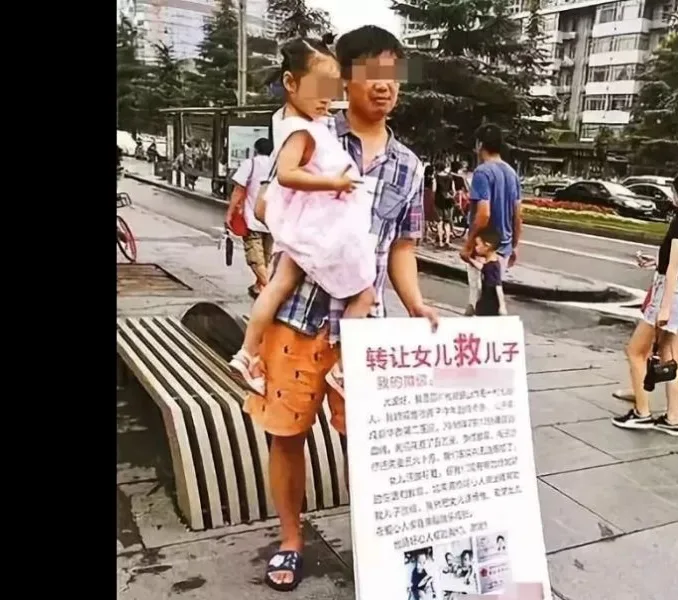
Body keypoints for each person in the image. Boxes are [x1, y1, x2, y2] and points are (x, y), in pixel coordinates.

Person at [244, 26, 439, 592]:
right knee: (287, 435)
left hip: (364, 328)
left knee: (368, 443)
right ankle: (289, 540)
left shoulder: (408, 165)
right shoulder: (312, 133)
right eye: (371, 74)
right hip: (298, 315)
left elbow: (402, 248)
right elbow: (266, 202)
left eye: (393, 76)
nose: (385, 87)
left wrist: (418, 303)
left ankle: (378, 546)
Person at [227, 35, 377, 397]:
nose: (327, 96)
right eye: (319, 87)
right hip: (315, 230)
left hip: (300, 228)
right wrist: (334, 182)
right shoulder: (299, 130)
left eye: (333, 87)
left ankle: (246, 354)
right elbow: (286, 175)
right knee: (366, 293)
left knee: (276, 286)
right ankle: (341, 371)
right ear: (290, 84)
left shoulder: (292, 120)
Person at [611, 166, 678, 436]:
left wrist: (664, 305)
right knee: (670, 357)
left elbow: (676, 266)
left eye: (675, 189)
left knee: (635, 352)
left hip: (672, 293)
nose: (672, 194)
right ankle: (671, 419)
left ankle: (642, 413)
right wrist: (658, 262)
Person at [459, 125, 522, 315]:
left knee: (480, 304)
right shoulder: (512, 173)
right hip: (502, 248)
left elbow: (483, 214)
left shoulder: (482, 172)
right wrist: (515, 245)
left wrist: (468, 245)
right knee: (491, 298)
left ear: (480, 145)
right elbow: (517, 215)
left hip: (483, 247)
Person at [225, 137, 275, 299]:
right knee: (266, 258)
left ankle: (270, 292)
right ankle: (258, 287)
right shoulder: (278, 165)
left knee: (255, 259)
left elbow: (238, 190)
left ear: (255, 150)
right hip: (273, 221)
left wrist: (230, 213)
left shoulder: (250, 164)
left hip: (253, 219)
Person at [470, 229, 507, 316]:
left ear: (487, 246)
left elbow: (498, 286)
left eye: (478, 245)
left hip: (490, 304)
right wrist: (471, 260)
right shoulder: (490, 263)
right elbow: (484, 268)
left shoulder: (493, 267)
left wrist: (502, 306)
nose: (476, 247)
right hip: (485, 300)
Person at [434, 164, 457, 248]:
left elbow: (434, 189)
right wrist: (450, 195)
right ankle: (447, 240)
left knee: (439, 222)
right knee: (447, 222)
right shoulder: (450, 177)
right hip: (448, 201)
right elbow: (454, 191)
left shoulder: (436, 177)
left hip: (439, 201)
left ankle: (440, 241)